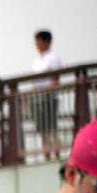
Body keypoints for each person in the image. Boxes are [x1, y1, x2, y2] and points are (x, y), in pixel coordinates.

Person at [30, 30, 65, 160]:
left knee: (51, 125)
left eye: (39, 41)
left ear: (47, 42)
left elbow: (56, 78)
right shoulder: (37, 60)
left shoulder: (53, 58)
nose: (37, 44)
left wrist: (51, 91)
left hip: (49, 96)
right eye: (36, 41)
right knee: (42, 128)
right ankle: (47, 154)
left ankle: (56, 153)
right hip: (38, 97)